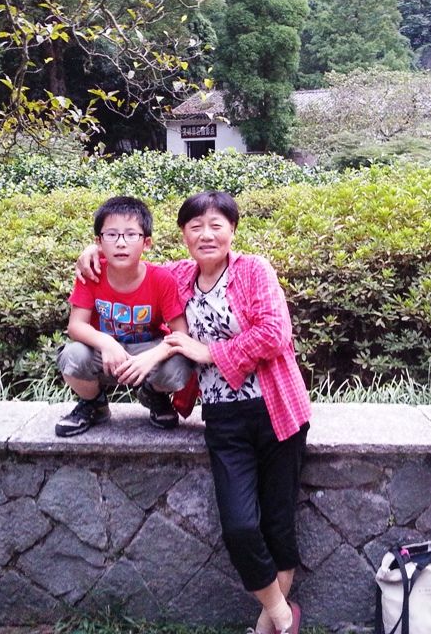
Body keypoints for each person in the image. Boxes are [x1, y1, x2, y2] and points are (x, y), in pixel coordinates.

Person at [78, 190, 310, 634]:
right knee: (240, 527)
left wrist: (209, 352)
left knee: (278, 525)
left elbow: (275, 333)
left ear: (232, 230)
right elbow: (131, 264)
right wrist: (94, 254)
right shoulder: (180, 276)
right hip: (222, 417)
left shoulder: (253, 270)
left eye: (216, 225)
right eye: (195, 226)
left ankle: (269, 628)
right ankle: (284, 615)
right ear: (183, 234)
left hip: (278, 411)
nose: (206, 235)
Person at [56, 195, 192, 436]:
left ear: (146, 243)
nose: (121, 243)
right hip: (103, 354)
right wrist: (106, 342)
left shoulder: (161, 279)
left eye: (131, 235)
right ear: (99, 242)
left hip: (146, 351)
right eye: (111, 235)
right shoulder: (92, 273)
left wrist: (152, 357)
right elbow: (76, 326)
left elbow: (181, 333)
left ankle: (153, 394)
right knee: (72, 355)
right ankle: (94, 403)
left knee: (179, 365)